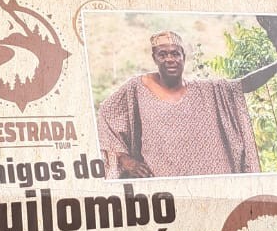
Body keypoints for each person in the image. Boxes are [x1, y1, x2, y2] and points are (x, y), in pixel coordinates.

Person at [96, 30, 268, 179]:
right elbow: (106, 114)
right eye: (162, 54)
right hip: (159, 188)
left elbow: (242, 85)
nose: (170, 59)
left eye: (175, 53)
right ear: (154, 58)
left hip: (203, 184)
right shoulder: (138, 87)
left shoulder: (206, 91)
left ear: (183, 57)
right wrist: (126, 161)